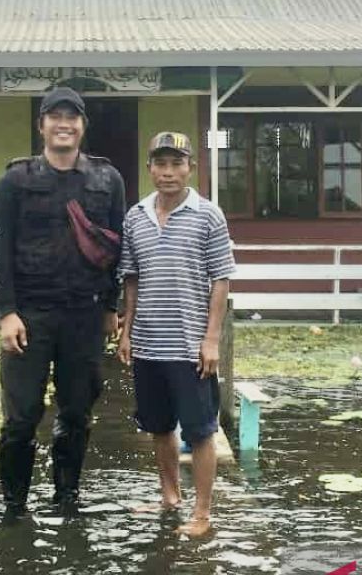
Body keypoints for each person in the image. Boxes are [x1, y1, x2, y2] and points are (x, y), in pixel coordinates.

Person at [0, 86, 126, 519]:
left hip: (84, 316)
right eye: (55, 116)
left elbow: (119, 248)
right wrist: (7, 312)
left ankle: (67, 499)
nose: (63, 124)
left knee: (77, 412)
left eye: (72, 117)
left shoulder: (107, 180)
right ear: (42, 125)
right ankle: (15, 506)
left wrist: (110, 307)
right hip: (30, 315)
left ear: (83, 126)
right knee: (21, 418)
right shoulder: (15, 180)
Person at [116, 131, 236, 538]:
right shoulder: (135, 216)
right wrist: (126, 331)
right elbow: (130, 278)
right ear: (149, 167)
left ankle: (202, 513)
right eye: (160, 164)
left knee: (201, 429)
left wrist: (211, 339)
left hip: (190, 345)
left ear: (190, 167)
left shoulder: (208, 215)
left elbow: (220, 278)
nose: (168, 173)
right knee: (159, 426)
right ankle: (170, 496)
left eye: (177, 164)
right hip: (149, 343)